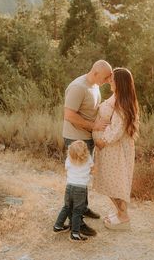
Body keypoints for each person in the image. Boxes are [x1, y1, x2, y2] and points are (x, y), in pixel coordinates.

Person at [62, 60, 112, 236]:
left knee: (83, 178)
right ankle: (77, 222)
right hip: (75, 141)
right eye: (105, 77)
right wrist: (94, 126)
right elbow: (69, 115)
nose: (107, 81)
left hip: (86, 138)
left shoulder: (95, 85)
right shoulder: (78, 87)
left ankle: (83, 208)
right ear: (96, 72)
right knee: (76, 181)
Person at [93, 67, 139, 230]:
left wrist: (102, 141)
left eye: (112, 80)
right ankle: (119, 213)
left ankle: (124, 218)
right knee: (109, 181)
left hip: (114, 149)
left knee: (115, 183)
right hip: (109, 149)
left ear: (120, 83)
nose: (109, 81)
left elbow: (117, 129)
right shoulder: (117, 96)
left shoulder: (122, 103)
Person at [53, 140, 94, 242]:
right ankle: (75, 234)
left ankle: (58, 226)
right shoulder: (88, 159)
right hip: (80, 189)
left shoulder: (69, 159)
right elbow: (93, 169)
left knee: (66, 207)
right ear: (85, 151)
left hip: (69, 186)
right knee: (77, 211)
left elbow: (66, 169)